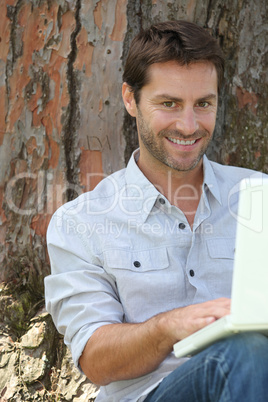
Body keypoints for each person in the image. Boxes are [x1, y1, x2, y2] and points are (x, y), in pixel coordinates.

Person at [45, 20, 268, 401]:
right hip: (149, 394)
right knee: (244, 353)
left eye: (203, 104)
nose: (188, 124)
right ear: (130, 99)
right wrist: (169, 327)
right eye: (169, 103)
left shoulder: (259, 196)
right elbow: (96, 359)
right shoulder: (80, 222)